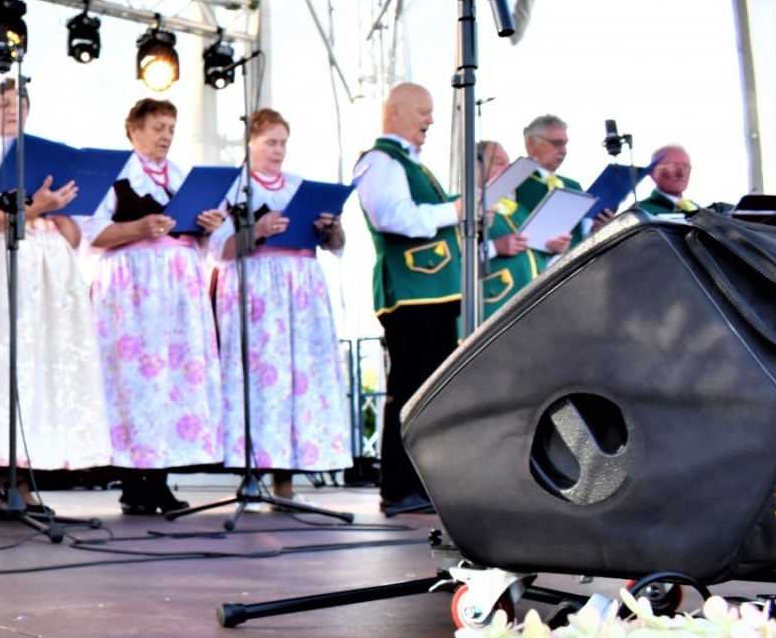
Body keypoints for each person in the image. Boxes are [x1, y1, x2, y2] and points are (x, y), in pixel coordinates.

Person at [0, 78, 112, 508]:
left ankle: (29, 475)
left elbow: (74, 232)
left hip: (49, 271)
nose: (13, 110)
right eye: (3, 103)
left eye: (20, 103)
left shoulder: (46, 157)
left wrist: (58, 208)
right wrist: (35, 206)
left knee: (40, 370)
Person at [82, 99, 223, 515]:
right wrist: (137, 228)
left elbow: (203, 242)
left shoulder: (180, 178)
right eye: (158, 127)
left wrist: (207, 229)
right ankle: (133, 481)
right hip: (132, 288)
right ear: (134, 129)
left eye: (171, 129)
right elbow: (91, 233)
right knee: (135, 381)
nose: (165, 136)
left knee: (172, 381)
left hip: (178, 287)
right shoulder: (114, 175)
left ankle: (159, 479)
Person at [209, 108, 350, 503]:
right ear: (249, 143)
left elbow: (336, 247)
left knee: (297, 380)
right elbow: (219, 249)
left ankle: (287, 482)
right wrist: (260, 231)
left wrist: (331, 230)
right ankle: (250, 472)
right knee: (257, 379)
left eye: (283, 142)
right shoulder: (233, 188)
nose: (279, 150)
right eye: (271, 141)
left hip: (301, 291)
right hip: (255, 288)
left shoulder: (299, 185)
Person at [353, 83, 462, 517]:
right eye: (423, 111)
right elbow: (393, 218)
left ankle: (418, 481)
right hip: (411, 294)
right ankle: (398, 485)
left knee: (429, 389)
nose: (430, 120)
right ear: (395, 112)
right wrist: (451, 211)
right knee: (410, 387)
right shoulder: (379, 161)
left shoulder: (410, 163)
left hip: (434, 292)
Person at [516, 114, 613, 267]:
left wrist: (596, 229)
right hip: (532, 270)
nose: (563, 150)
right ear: (531, 144)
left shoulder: (573, 186)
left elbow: (581, 237)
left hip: (574, 268)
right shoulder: (517, 183)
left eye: (565, 144)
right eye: (556, 143)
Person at [477, 139, 539, 317]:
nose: (508, 167)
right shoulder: (463, 206)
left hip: (532, 307)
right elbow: (458, 260)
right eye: (498, 162)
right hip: (494, 308)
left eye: (508, 162)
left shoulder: (520, 210)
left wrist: (555, 250)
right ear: (476, 167)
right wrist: (495, 247)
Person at [637, 145, 698, 215]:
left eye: (686, 166)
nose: (681, 173)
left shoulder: (700, 209)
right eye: (672, 166)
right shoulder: (641, 212)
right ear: (653, 173)